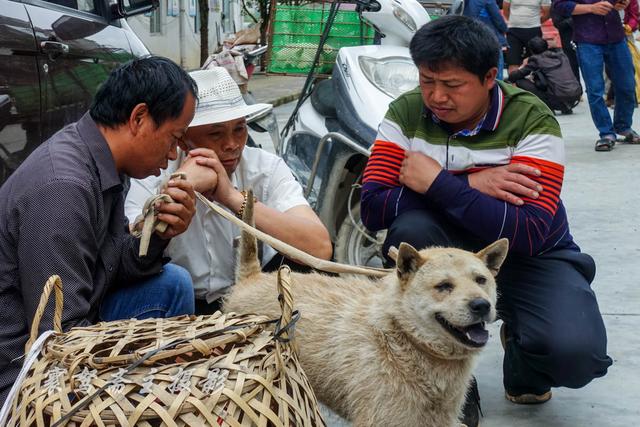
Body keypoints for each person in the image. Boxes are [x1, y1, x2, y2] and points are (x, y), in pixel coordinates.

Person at [360, 15, 612, 426]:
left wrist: (436, 183)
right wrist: (473, 181)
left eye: (452, 85)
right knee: (412, 231)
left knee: (575, 353)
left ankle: (523, 357)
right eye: (426, 81)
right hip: (445, 258)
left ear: (490, 76)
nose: (436, 96)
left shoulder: (531, 119)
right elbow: (372, 208)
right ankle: (457, 381)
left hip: (530, 256)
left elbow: (527, 231)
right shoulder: (405, 113)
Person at [0, 56, 214, 405]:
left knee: (172, 284)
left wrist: (160, 233)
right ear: (139, 118)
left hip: (72, 322)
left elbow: (110, 266)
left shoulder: (104, 161)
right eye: (174, 137)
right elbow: (59, 340)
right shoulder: (63, 187)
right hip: (20, 371)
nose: (174, 152)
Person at [125, 67, 332, 314]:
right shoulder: (155, 173)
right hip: (183, 307)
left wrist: (231, 197)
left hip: (254, 298)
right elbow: (130, 245)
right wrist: (178, 189)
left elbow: (319, 248)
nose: (232, 145)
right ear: (182, 139)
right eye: (215, 134)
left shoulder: (264, 168)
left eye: (239, 129)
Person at [554, 0, 639, 151]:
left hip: (616, 36)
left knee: (627, 85)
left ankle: (623, 126)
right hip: (588, 39)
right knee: (595, 90)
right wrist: (591, 8)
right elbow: (559, 6)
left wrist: (621, 4)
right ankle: (606, 133)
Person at [509, 36, 582, 113]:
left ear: (531, 50)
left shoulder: (536, 60)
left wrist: (523, 65)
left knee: (520, 81)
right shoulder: (562, 55)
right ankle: (566, 107)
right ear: (547, 46)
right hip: (576, 96)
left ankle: (548, 106)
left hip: (558, 99)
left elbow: (514, 76)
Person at [464, 0, 509, 79]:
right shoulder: (488, 1)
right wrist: (505, 29)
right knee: (497, 76)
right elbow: (498, 21)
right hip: (490, 39)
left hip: (469, 40)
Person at [503, 0, 552, 74]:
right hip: (513, 30)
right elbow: (506, 10)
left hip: (534, 29)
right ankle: (512, 84)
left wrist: (534, 22)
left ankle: (533, 83)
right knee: (512, 61)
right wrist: (516, 21)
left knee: (536, 60)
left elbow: (547, 12)